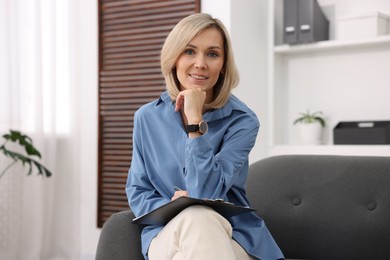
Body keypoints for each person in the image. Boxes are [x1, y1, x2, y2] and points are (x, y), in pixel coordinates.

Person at [126, 13, 284, 260]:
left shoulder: (243, 121)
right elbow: (138, 190)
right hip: (169, 234)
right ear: (173, 58)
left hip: (233, 237)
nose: (200, 63)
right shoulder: (147, 117)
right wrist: (172, 207)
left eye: (212, 54)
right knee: (195, 217)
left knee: (199, 219)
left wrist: (194, 122)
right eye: (189, 51)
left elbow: (207, 192)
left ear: (223, 66)